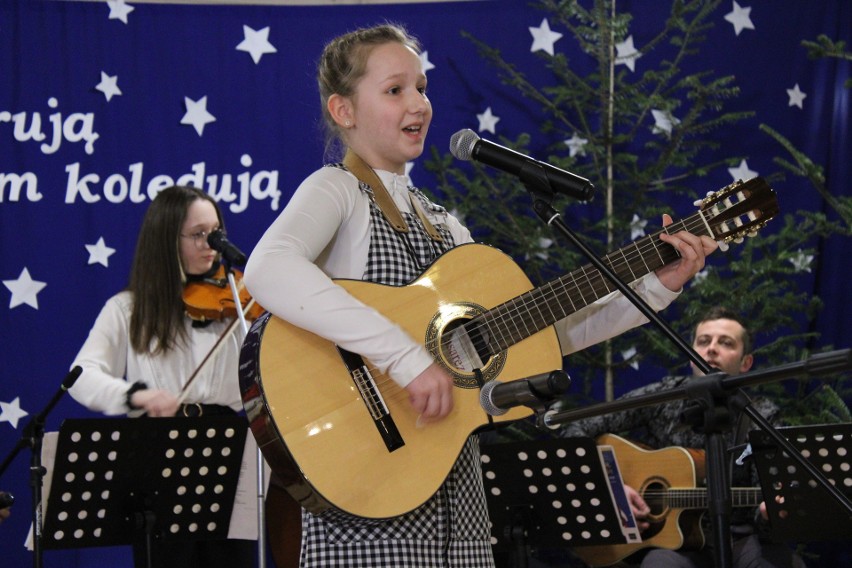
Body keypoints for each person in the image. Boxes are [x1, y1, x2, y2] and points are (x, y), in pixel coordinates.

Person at [243, 22, 716, 568]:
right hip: (370, 501)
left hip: (459, 507)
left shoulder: (447, 228)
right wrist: (406, 358)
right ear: (343, 111)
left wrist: (656, 284)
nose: (418, 102)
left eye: (421, 87)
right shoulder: (337, 190)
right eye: (394, 90)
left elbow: (542, 336)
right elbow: (269, 267)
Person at [68, 185, 255, 568]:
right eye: (198, 235)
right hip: (160, 447)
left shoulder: (239, 300)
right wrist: (138, 396)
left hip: (228, 444)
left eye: (217, 232)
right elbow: (82, 375)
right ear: (166, 239)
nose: (212, 245)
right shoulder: (128, 309)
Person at [562, 306, 806, 568]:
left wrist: (769, 516)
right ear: (692, 356)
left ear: (745, 362)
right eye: (703, 341)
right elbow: (574, 430)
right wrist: (612, 490)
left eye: (725, 343)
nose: (712, 349)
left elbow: (771, 514)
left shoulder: (762, 415)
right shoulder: (663, 396)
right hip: (674, 545)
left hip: (742, 539)